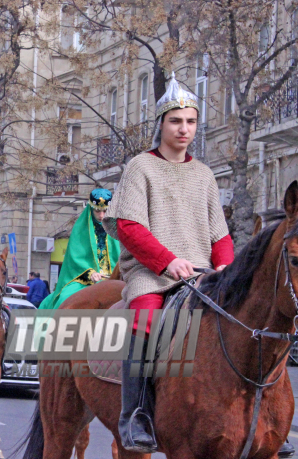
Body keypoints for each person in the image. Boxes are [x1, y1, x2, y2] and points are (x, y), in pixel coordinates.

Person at [102, 73, 236, 453]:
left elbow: (220, 235)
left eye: (191, 121)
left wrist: (225, 266)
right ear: (160, 123)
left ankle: (259, 414)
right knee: (147, 321)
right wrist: (166, 262)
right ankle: (136, 416)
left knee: (246, 324)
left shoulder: (205, 175)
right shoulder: (140, 167)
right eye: (176, 121)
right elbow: (127, 226)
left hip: (204, 275)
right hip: (151, 273)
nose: (184, 128)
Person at [38, 188, 121, 310]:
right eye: (97, 211)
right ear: (91, 209)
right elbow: (75, 259)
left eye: (105, 211)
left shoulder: (118, 228)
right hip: (85, 280)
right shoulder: (80, 229)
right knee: (65, 298)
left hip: (115, 279)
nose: (101, 215)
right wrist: (90, 273)